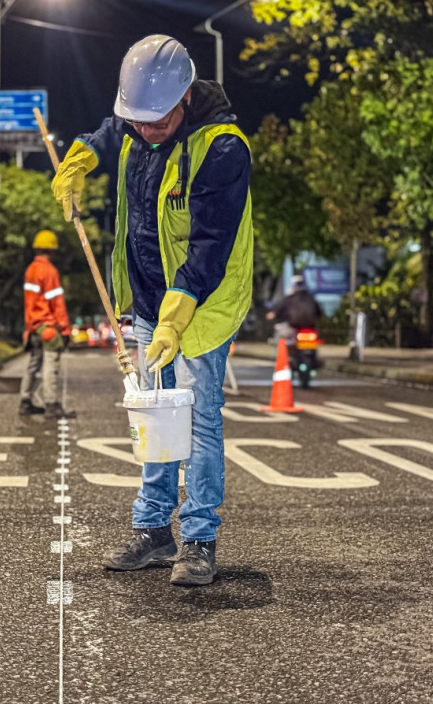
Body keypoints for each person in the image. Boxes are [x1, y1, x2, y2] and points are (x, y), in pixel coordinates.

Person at [51, 35, 253, 587]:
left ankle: (199, 538)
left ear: (185, 98)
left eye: (156, 122)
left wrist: (174, 320)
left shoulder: (223, 149)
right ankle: (153, 530)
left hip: (202, 306)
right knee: (154, 417)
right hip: (144, 301)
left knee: (198, 421)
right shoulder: (141, 122)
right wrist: (81, 158)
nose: (145, 131)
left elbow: (209, 247)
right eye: (136, 119)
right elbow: (111, 129)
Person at [19, 230, 74, 419]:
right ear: (52, 250)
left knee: (33, 365)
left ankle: (25, 401)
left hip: (33, 327)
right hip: (48, 328)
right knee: (51, 365)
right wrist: (65, 329)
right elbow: (56, 303)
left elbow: (29, 303)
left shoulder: (30, 270)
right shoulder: (49, 271)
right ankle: (51, 405)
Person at [270, 274, 322, 343]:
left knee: (279, 335)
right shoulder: (311, 298)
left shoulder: (289, 298)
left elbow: (280, 310)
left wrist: (274, 314)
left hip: (292, 328)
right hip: (310, 327)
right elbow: (319, 313)